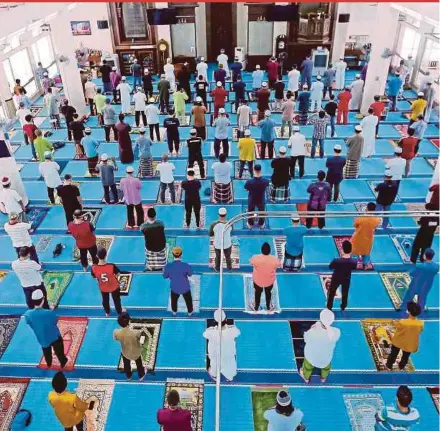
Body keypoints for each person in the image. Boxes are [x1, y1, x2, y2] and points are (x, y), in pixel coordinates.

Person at [25, 290, 67, 367]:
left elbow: (29, 323)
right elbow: (55, 321)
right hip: (54, 336)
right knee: (59, 350)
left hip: (42, 338)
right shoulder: (49, 313)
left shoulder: (28, 314)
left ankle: (49, 363)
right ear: (43, 299)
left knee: (46, 351)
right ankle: (62, 361)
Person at [299, 309, 340, 384]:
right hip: (326, 359)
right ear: (332, 321)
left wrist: (312, 328)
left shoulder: (312, 332)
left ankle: (306, 378)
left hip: (311, 357)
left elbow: (306, 339)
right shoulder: (336, 332)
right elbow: (328, 333)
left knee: (307, 368)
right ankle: (323, 378)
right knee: (326, 368)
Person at [203, 309, 240, 382]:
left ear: (214, 321)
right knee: (230, 374)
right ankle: (229, 378)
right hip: (229, 359)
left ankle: (214, 375)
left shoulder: (210, 331)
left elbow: (204, 334)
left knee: (213, 371)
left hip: (215, 359)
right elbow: (238, 332)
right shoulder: (233, 330)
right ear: (226, 319)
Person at [385, 302, 424, 370]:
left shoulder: (402, 322)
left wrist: (394, 321)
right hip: (410, 344)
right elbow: (420, 331)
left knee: (393, 354)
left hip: (398, 342)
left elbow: (396, 325)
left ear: (408, 311)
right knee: (405, 357)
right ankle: (401, 366)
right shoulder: (421, 323)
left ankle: (389, 365)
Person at [401, 248, 439, 314]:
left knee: (409, 297)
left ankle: (404, 309)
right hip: (427, 286)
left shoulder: (420, 266)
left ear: (424, 256)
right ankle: (421, 311)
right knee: (422, 298)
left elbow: (412, 273)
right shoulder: (436, 266)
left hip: (416, 284)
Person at [91, 247, 123, 316]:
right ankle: (119, 312)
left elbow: (94, 276)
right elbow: (118, 273)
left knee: (105, 300)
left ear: (96, 256)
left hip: (103, 287)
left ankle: (107, 312)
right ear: (106, 255)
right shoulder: (111, 266)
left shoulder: (94, 267)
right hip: (114, 286)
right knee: (116, 300)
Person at [113, 312, 146, 381]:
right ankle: (141, 375)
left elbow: (115, 338)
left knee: (126, 364)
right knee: (139, 364)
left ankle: (128, 376)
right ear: (129, 321)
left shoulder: (116, 332)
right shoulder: (135, 332)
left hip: (125, 352)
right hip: (136, 352)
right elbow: (140, 336)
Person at [326, 240, 357, 311]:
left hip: (336, 278)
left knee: (332, 292)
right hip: (346, 279)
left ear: (342, 249)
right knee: (345, 293)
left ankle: (329, 306)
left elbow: (330, 267)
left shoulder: (337, 260)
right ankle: (343, 306)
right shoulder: (354, 261)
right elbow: (354, 267)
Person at [163, 247, 194, 316]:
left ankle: (174, 312)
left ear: (172, 255)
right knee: (188, 301)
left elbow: (165, 276)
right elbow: (190, 274)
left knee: (173, 301)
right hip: (185, 287)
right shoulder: (186, 265)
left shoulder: (168, 266)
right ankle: (190, 312)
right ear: (181, 255)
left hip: (174, 288)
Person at [351, 202, 381, 269]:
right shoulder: (377, 220)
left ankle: (353, 264)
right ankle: (365, 265)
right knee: (366, 252)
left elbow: (355, 225)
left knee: (355, 251)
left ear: (367, 208)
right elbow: (376, 226)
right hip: (368, 238)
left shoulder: (361, 218)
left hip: (358, 237)